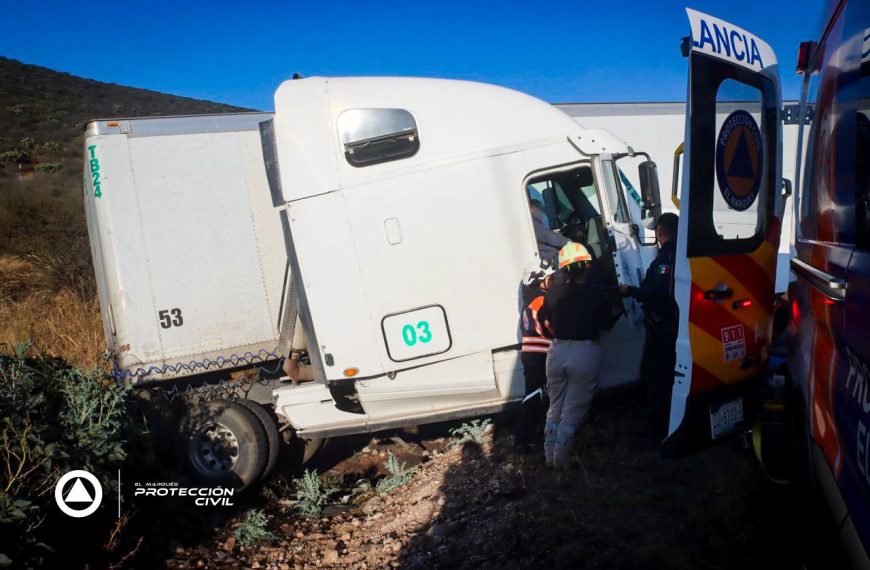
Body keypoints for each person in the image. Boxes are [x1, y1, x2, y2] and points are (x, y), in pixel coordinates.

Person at [538, 242, 614, 469]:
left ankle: (549, 454)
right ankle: (561, 460)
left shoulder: (552, 294)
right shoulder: (594, 293)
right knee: (572, 411)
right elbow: (607, 322)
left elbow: (544, 318)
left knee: (555, 406)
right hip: (584, 353)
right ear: (587, 266)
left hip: (556, 353)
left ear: (562, 269)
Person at [619, 212, 679, 439]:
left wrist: (630, 291)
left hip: (664, 330)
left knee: (657, 379)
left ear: (661, 233)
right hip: (670, 327)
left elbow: (658, 293)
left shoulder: (666, 258)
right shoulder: (678, 255)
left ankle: (659, 430)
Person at [514, 259, 556, 455]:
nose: (553, 281)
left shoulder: (530, 300)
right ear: (539, 281)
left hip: (532, 354)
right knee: (533, 397)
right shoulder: (540, 301)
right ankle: (522, 441)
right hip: (540, 355)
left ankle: (529, 437)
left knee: (535, 396)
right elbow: (550, 327)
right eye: (550, 278)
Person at [530, 198, 568, 264]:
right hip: (549, 260)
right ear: (532, 209)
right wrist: (569, 242)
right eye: (540, 209)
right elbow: (547, 236)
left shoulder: (535, 223)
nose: (543, 212)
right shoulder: (534, 223)